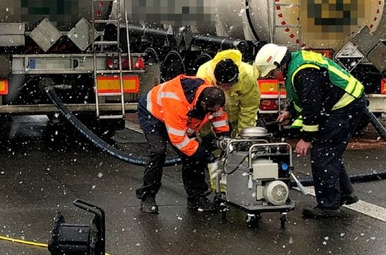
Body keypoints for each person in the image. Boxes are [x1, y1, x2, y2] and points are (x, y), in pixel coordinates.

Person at [253, 43, 368, 219]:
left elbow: (312, 105)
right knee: (330, 151)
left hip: (345, 105)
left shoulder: (303, 72)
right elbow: (304, 95)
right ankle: (345, 193)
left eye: (271, 73)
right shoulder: (297, 64)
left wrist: (306, 138)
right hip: (343, 104)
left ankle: (329, 206)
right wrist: (290, 111)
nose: (273, 77)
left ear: (278, 64)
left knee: (323, 153)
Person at [136, 74, 231, 214]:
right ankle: (148, 196)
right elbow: (179, 140)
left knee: (192, 156)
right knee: (158, 152)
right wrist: (204, 155)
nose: (212, 113)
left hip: (178, 117)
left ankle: (196, 197)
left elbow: (218, 116)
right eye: (209, 110)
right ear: (203, 104)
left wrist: (223, 135)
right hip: (153, 114)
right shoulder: (177, 101)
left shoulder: (210, 95)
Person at [195, 50, 261, 133]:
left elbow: (248, 109)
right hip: (213, 119)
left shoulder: (248, 77)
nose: (226, 88)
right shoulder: (204, 76)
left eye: (230, 84)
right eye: (221, 84)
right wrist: (207, 135)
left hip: (236, 119)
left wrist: (244, 135)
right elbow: (202, 111)